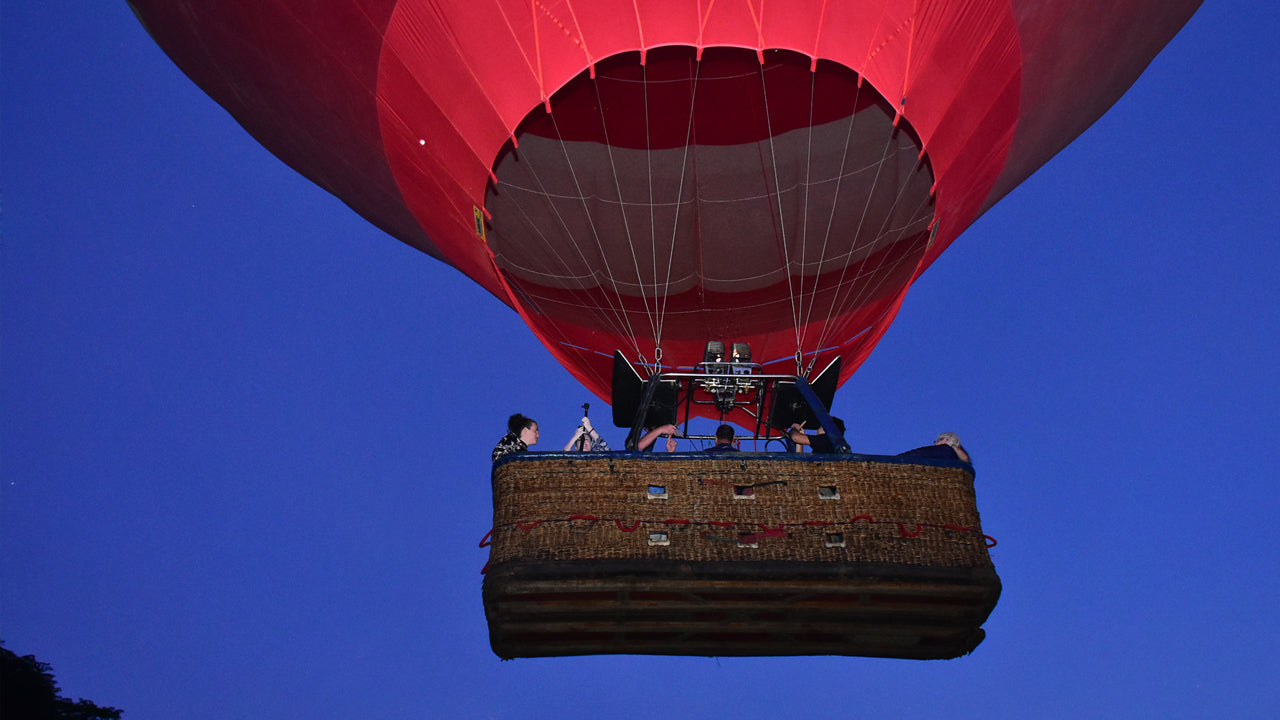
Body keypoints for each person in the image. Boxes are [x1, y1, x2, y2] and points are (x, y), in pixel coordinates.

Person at [898, 431, 971, 463]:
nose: (935, 445)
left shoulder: (943, 450)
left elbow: (914, 454)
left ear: (945, 440)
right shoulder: (958, 461)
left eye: (936, 442)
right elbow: (966, 459)